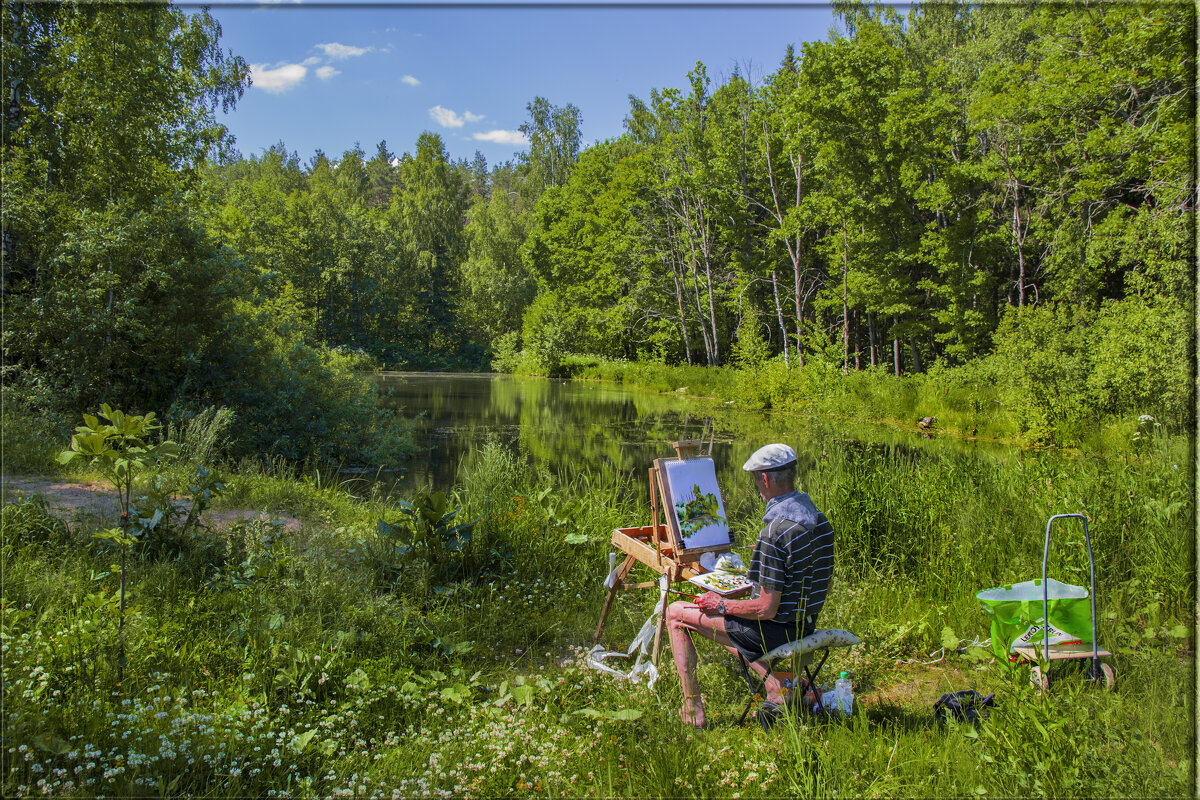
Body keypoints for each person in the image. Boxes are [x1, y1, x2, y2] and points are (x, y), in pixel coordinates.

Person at [665, 443, 835, 729]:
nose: (757, 485)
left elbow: (766, 609)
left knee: (676, 613)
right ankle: (779, 685)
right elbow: (812, 583)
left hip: (775, 632)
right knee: (730, 625)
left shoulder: (776, 531)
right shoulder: (819, 520)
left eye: (756, 478)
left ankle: (692, 711)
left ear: (765, 479)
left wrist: (721, 604)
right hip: (804, 624)